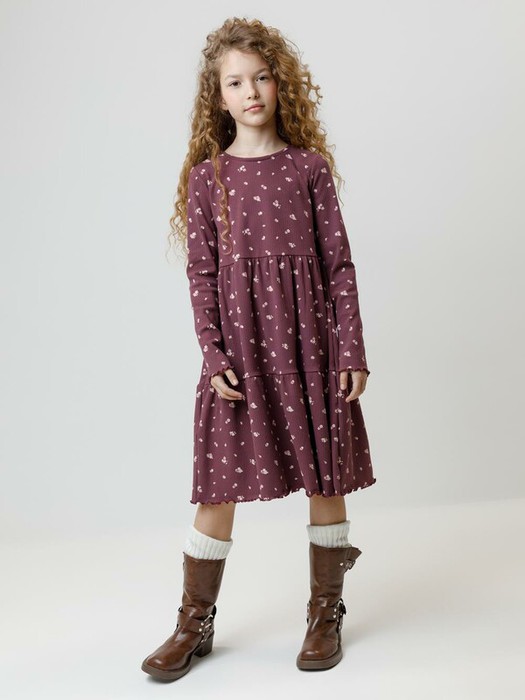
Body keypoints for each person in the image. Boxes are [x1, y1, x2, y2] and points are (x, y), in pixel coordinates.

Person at [141, 16, 377, 681]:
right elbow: (202, 274)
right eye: (235, 82)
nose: (251, 91)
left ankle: (325, 612)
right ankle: (193, 622)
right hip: (241, 354)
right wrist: (213, 353)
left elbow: (338, 265)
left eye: (262, 77)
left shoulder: (308, 168)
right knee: (219, 487)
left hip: (310, 346)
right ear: (218, 97)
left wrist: (350, 348)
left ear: (281, 84)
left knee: (325, 477)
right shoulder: (207, 178)